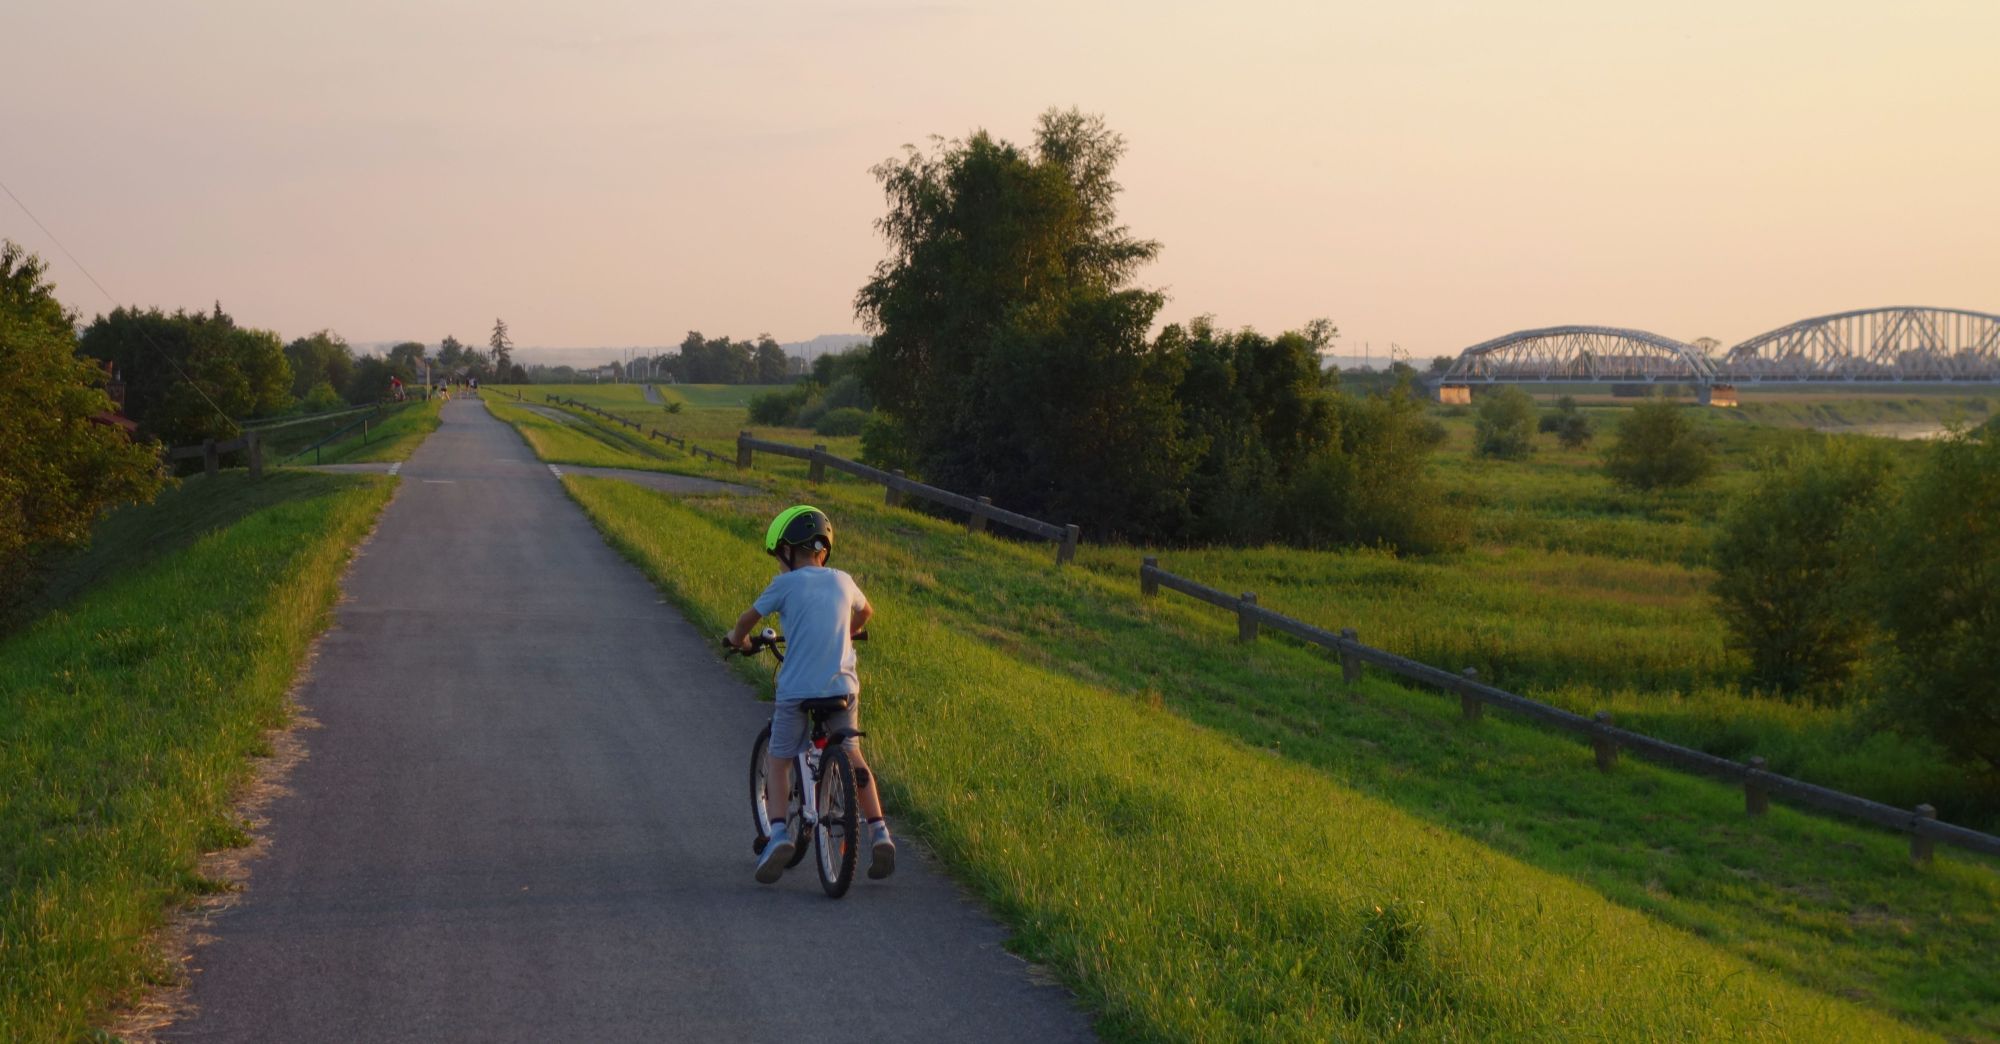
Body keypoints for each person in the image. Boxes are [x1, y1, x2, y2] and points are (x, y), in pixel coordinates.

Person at [725, 505, 893, 884]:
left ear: (787, 551)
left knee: (781, 757)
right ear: (823, 550)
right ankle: (879, 830)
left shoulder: (784, 584)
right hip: (842, 688)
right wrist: (845, 632)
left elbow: (746, 621)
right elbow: (866, 612)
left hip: (797, 690)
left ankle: (780, 833)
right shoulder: (844, 580)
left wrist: (738, 640)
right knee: (852, 752)